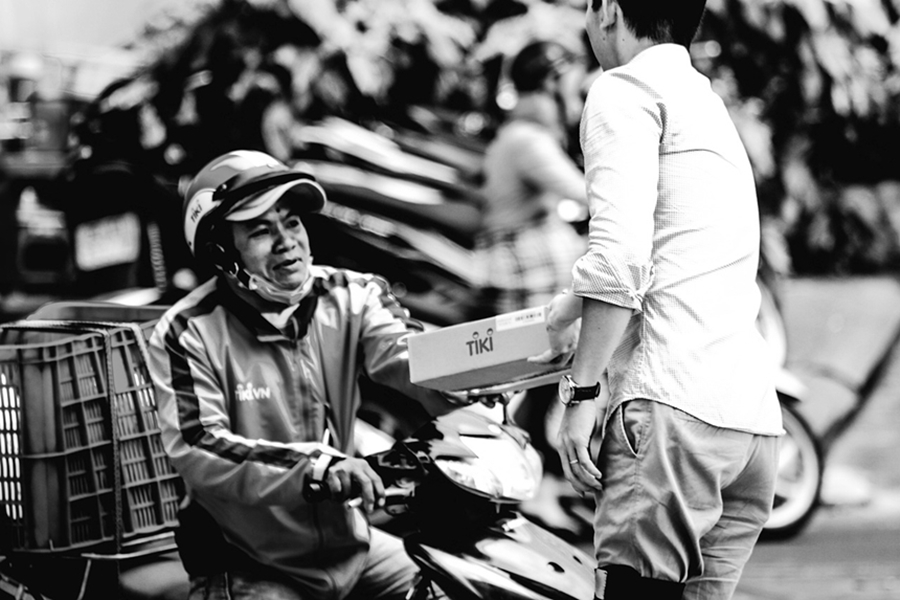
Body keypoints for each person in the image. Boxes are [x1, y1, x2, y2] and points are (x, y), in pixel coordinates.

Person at [532, 2, 784, 599]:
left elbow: (619, 257)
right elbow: (682, 244)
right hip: (749, 425)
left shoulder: (623, 89)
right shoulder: (705, 101)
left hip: (672, 416)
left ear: (610, 10)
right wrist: (573, 304)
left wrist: (581, 395)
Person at [147, 149, 478, 600]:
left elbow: (408, 356)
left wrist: (472, 375)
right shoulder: (188, 331)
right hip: (252, 564)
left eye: (292, 222)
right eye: (260, 230)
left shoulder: (350, 294)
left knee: (453, 588)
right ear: (221, 252)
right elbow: (200, 446)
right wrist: (319, 467)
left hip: (350, 548)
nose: (287, 241)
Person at [475, 40, 589, 315]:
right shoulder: (527, 140)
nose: (577, 99)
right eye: (573, 87)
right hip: (523, 264)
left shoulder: (522, 133)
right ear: (550, 83)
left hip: (526, 261)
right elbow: (588, 193)